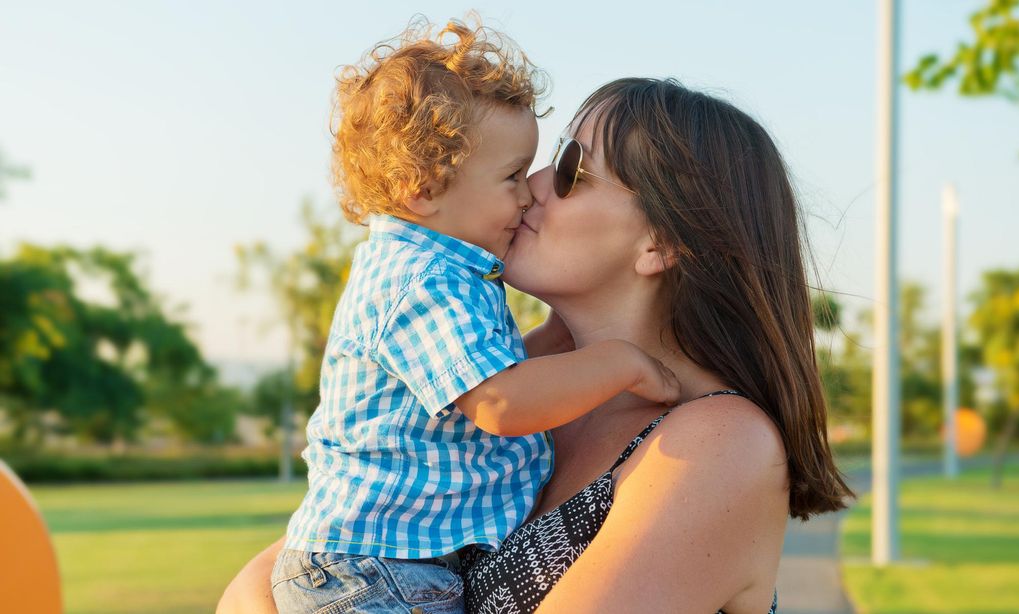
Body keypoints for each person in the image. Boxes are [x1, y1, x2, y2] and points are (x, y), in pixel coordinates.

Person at [219, 76, 853, 614]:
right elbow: (291, 569)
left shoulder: (719, 444)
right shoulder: (522, 388)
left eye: (574, 169)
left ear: (660, 244)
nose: (533, 185)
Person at [269, 18, 683, 614]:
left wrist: (563, 339)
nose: (530, 191)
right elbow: (500, 403)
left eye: (564, 171)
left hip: (386, 564)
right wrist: (617, 363)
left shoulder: (440, 272)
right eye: (513, 175)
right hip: (376, 571)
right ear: (422, 189)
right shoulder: (423, 280)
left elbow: (499, 377)